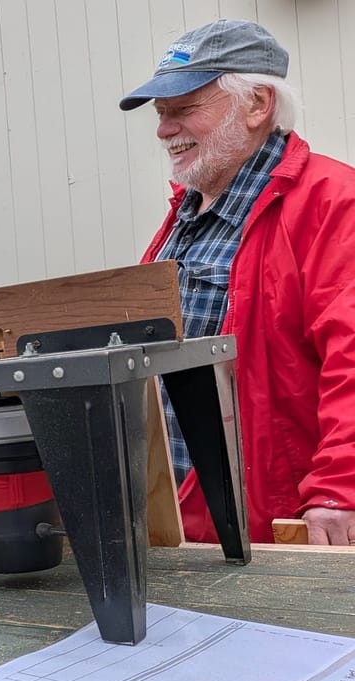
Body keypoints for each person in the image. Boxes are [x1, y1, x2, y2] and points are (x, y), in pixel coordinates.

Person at [120, 19, 355, 546]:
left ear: (257, 104)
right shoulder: (184, 217)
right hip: (182, 521)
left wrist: (341, 488)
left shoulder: (334, 203)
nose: (164, 131)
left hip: (286, 529)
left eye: (183, 110)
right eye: (161, 115)